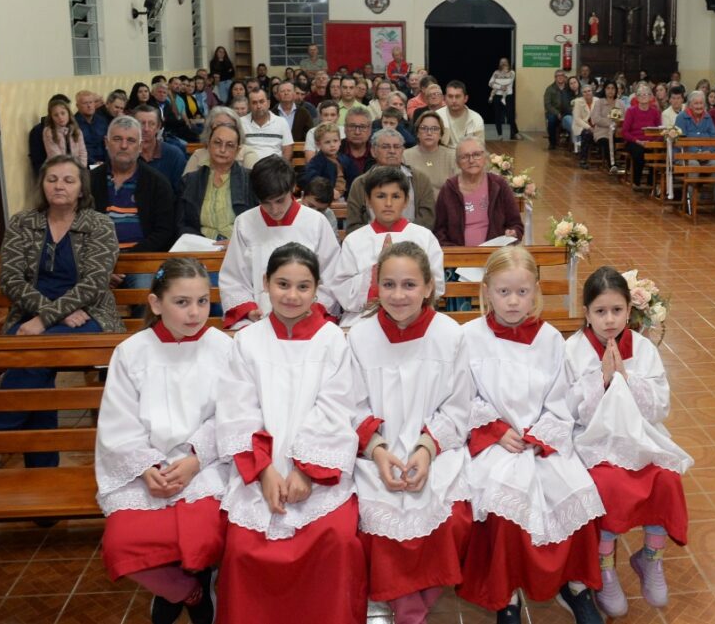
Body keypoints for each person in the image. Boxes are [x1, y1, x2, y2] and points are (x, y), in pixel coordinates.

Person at [215, 243, 366, 624]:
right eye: (282, 284)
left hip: (317, 473)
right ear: (265, 283)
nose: (292, 295)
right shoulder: (248, 341)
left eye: (303, 286)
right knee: (241, 549)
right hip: (260, 472)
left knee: (338, 541)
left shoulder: (332, 340)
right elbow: (238, 411)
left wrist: (306, 470)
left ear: (317, 289)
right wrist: (265, 471)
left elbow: (336, 408)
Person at [457, 247, 605, 623]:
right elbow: (461, 395)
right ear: (487, 290)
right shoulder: (469, 337)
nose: (512, 301)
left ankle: (574, 585)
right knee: (507, 509)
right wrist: (495, 429)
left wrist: (541, 437)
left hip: (542, 440)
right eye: (503, 292)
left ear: (535, 292)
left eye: (522, 292)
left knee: (577, 493)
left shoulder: (551, 339)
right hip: (494, 443)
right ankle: (506, 595)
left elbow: (561, 399)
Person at [95, 258, 230, 624]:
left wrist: (195, 459)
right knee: (122, 546)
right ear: (156, 304)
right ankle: (185, 590)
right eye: (182, 302)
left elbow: (232, 415)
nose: (195, 313)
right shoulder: (131, 352)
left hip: (205, 466)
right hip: (148, 471)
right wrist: (147, 467)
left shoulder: (223, 348)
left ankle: (201, 574)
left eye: (203, 301)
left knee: (207, 536)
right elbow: (119, 423)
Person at [0, 155, 121, 472]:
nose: (59, 186)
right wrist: (53, 314)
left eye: (68, 180)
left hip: (89, 316)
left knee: (33, 356)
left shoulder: (99, 225)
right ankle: (42, 470)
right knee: (36, 360)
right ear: (42, 184)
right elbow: (10, 280)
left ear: (81, 188)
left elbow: (94, 284)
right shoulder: (23, 223)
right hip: (31, 316)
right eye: (52, 179)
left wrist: (46, 319)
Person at [348, 240, 472, 622]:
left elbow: (457, 406)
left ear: (429, 287)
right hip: (374, 453)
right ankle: (384, 599)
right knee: (369, 515)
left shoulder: (451, 335)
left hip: (431, 448)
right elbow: (351, 406)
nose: (398, 295)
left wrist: (425, 449)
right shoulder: (359, 335)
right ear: (376, 286)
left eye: (409, 285)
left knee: (452, 518)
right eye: (389, 285)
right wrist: (380, 451)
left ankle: (410, 605)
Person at [565, 267, 691, 617]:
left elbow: (660, 406)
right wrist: (601, 383)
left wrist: (626, 379)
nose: (609, 320)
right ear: (586, 312)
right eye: (600, 311)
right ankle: (604, 568)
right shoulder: (573, 349)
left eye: (617, 311)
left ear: (628, 311)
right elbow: (568, 409)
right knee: (606, 484)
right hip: (592, 440)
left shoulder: (644, 348)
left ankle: (650, 558)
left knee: (666, 478)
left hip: (639, 436)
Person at [218, 156, 340, 328]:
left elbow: (331, 276)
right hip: (258, 319)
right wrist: (248, 309)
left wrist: (313, 309)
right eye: (266, 203)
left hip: (307, 316)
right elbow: (233, 278)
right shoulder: (244, 223)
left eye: (280, 200)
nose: (274, 210)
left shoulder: (316, 222)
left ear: (292, 188)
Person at [331, 167, 445, 326]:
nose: (388, 203)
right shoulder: (354, 240)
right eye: (381, 196)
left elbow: (436, 286)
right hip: (364, 317)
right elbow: (342, 291)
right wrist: (376, 271)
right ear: (368, 200)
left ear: (406, 201)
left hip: (414, 316)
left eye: (396, 196)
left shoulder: (424, 237)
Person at [90, 116, 176, 266]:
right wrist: (103, 264)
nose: (124, 146)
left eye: (131, 140)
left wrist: (129, 258)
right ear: (106, 143)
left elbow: (165, 231)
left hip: (141, 260)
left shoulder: (158, 183)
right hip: (97, 261)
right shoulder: (89, 181)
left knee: (143, 286)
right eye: (117, 139)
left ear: (140, 146)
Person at [177, 117, 255, 242]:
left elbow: (258, 223)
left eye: (230, 145)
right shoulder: (189, 181)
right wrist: (201, 243)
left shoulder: (251, 180)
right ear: (208, 144)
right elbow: (182, 224)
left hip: (239, 246)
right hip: (199, 248)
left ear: (238, 150)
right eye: (217, 143)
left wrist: (238, 243)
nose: (222, 149)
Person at [434, 138, 523, 246]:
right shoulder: (448, 189)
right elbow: (439, 231)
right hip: (459, 257)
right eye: (464, 156)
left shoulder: (499, 185)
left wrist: (513, 232)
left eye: (476, 154)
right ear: (457, 163)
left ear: (485, 158)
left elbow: (516, 225)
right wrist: (455, 253)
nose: (471, 160)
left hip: (495, 255)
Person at [345, 128, 435, 233]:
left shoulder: (421, 180)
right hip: (371, 243)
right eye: (385, 147)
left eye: (396, 147)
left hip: (411, 243)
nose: (392, 151)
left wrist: (405, 238)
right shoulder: (360, 184)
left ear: (403, 151)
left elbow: (427, 220)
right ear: (373, 151)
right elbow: (353, 224)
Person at [674, 90, 715, 208]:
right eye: (696, 104)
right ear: (690, 105)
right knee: (693, 164)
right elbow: (679, 140)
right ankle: (690, 203)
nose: (699, 106)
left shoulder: (707, 117)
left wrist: (710, 151)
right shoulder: (682, 117)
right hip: (686, 156)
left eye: (701, 103)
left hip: (706, 155)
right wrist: (696, 153)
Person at [184, 107, 261, 174]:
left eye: (229, 125)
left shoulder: (247, 153)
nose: (223, 130)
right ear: (209, 129)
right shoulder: (198, 155)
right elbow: (186, 186)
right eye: (219, 125)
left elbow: (255, 186)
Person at [132, 104, 187, 193]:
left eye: (151, 124)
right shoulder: (125, 155)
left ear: (158, 127)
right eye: (141, 123)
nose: (146, 129)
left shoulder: (174, 155)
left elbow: (182, 194)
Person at [405, 111, 459, 194]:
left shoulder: (452, 156)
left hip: (444, 205)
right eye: (424, 128)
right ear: (417, 133)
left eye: (434, 129)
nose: (429, 133)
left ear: (441, 134)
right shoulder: (405, 156)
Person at [300, 123, 357, 202]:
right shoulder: (316, 162)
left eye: (335, 141)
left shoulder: (345, 160)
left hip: (345, 198)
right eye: (327, 142)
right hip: (324, 199)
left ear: (340, 142)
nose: (332, 145)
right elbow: (310, 178)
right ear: (318, 144)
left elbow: (354, 179)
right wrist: (328, 190)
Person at [621, 83, 662, 190]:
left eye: (646, 94)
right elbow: (625, 132)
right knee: (639, 152)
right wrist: (637, 141)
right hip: (634, 142)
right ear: (637, 97)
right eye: (640, 94)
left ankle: (651, 182)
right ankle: (636, 181)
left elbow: (659, 130)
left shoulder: (655, 112)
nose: (643, 96)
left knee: (658, 152)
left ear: (650, 97)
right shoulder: (631, 111)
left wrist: (653, 142)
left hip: (651, 142)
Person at [240, 88, 293, 162]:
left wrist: (281, 169)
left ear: (268, 103)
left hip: (274, 169)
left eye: (261, 102)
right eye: (254, 103)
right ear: (249, 106)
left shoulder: (281, 122)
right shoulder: (241, 123)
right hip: (249, 169)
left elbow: (287, 149)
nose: (258, 106)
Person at [436, 80, 485, 149]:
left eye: (458, 96)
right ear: (445, 98)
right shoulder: (437, 116)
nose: (454, 101)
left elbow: (480, 147)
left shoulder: (476, 118)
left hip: (467, 156)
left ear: (465, 98)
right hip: (443, 155)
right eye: (450, 96)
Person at [43, 97, 88, 167]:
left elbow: (83, 152)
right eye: (56, 115)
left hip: (77, 167)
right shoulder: (48, 131)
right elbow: (55, 155)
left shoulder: (77, 130)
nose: (60, 117)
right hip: (57, 166)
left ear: (68, 113)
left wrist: (81, 168)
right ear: (51, 117)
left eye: (63, 113)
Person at [572, 83, 607, 168]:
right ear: (582, 94)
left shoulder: (598, 101)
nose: (587, 93)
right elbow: (577, 119)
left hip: (596, 126)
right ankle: (583, 159)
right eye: (584, 92)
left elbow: (601, 115)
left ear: (592, 92)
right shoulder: (578, 102)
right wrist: (589, 127)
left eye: (589, 91)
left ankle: (607, 160)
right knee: (587, 134)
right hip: (582, 126)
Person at [73, 90, 108, 164]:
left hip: (105, 163)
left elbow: (107, 144)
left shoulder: (102, 121)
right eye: (85, 103)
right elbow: (76, 151)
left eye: (91, 102)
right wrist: (93, 163)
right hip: (84, 164)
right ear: (77, 106)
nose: (89, 106)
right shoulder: (73, 124)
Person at [340, 106, 375, 178]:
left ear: (370, 129)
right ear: (345, 128)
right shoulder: (333, 152)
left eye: (362, 127)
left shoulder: (378, 153)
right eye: (352, 126)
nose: (357, 132)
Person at [488, 57, 517, 139]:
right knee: (497, 116)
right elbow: (490, 83)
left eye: (505, 62)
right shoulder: (496, 72)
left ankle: (516, 132)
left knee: (510, 115)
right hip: (497, 96)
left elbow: (508, 81)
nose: (503, 63)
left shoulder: (512, 72)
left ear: (508, 63)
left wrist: (496, 82)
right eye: (501, 62)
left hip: (508, 96)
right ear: (499, 64)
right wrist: (500, 86)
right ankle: (499, 135)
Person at [543, 70, 569, 150]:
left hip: (567, 112)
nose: (560, 77)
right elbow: (547, 104)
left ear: (565, 77)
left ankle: (571, 142)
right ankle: (552, 142)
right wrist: (557, 113)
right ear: (555, 78)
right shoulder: (550, 89)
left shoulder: (569, 88)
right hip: (554, 112)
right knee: (551, 120)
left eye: (562, 75)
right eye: (558, 75)